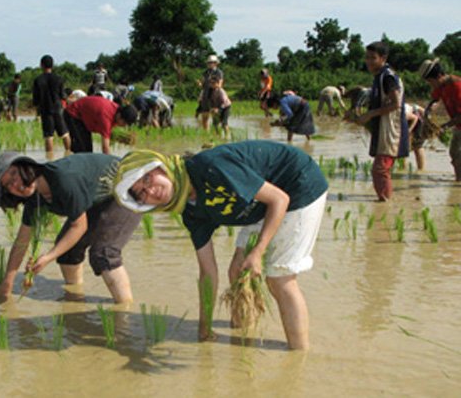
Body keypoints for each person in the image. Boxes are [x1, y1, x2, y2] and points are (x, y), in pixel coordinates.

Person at [113, 141, 329, 350]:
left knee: (279, 280)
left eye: (148, 178)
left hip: (298, 184)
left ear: (161, 166)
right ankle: (244, 336)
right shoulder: (191, 213)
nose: (150, 191)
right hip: (261, 204)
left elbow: (279, 200)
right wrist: (204, 324)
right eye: (141, 193)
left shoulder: (211, 167)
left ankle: (299, 358)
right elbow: (208, 271)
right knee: (237, 270)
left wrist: (258, 250)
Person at [0, 151, 141, 304]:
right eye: (8, 184)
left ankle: (124, 313)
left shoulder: (63, 177)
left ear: (26, 167)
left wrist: (48, 257)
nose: (15, 184)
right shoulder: (34, 199)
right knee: (68, 253)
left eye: (14, 174)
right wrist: (7, 285)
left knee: (104, 253)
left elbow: (79, 227)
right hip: (97, 198)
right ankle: (75, 300)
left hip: (130, 188)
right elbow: (22, 241)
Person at [357, 42, 409, 201]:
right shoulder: (379, 77)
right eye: (367, 58)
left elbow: (396, 103)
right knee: (381, 168)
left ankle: (385, 202)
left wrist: (371, 114)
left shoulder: (387, 77)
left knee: (380, 168)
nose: (369, 61)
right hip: (383, 128)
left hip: (391, 128)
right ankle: (384, 199)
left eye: (373, 58)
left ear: (383, 58)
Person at [419, 58, 461, 181]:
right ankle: (458, 182)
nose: (431, 85)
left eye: (431, 82)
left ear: (439, 76)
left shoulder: (457, 86)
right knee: (454, 153)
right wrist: (429, 111)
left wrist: (444, 126)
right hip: (458, 127)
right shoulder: (441, 86)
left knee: (459, 154)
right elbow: (436, 99)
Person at [62, 96, 138, 154]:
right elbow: (105, 148)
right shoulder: (106, 117)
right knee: (82, 150)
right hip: (72, 114)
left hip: (83, 117)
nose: (123, 126)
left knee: (87, 150)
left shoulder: (115, 110)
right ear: (120, 116)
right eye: (124, 123)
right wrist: (113, 165)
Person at [32, 55, 70, 155]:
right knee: (65, 134)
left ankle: (49, 159)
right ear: (52, 65)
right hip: (58, 108)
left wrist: (36, 109)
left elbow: (35, 99)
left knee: (49, 136)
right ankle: (68, 153)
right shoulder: (58, 79)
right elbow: (63, 95)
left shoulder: (38, 80)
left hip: (45, 109)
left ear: (41, 65)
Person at [196, 55, 224, 131]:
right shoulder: (206, 72)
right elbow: (203, 85)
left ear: (215, 63)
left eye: (211, 62)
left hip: (214, 96)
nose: (209, 64)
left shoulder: (219, 72)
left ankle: (217, 132)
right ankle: (206, 133)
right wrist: (200, 85)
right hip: (205, 95)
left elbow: (220, 84)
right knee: (204, 116)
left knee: (215, 116)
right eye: (209, 62)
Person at [207, 75, 232, 139]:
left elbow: (224, 102)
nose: (212, 84)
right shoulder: (210, 91)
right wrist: (211, 108)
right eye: (211, 83)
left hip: (226, 107)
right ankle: (218, 135)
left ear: (218, 83)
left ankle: (227, 136)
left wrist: (219, 109)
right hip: (216, 107)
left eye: (214, 83)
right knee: (215, 123)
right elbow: (209, 101)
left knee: (224, 123)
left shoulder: (221, 91)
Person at [405, 103, 427, 170]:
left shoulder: (403, 114)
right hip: (410, 116)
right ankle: (402, 167)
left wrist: (408, 131)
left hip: (417, 117)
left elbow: (415, 118)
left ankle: (421, 169)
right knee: (403, 145)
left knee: (417, 145)